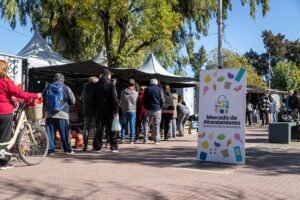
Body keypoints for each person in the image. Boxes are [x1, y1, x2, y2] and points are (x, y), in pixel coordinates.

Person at [0, 60, 41, 170]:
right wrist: (34, 95)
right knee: (4, 137)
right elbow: (19, 93)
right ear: (5, 69)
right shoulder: (6, 81)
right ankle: (3, 162)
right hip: (4, 112)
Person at [44, 73, 76, 155]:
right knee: (64, 133)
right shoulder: (66, 88)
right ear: (63, 80)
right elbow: (73, 101)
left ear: (54, 79)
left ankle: (50, 150)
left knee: (50, 134)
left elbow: (43, 99)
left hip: (50, 114)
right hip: (62, 113)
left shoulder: (48, 87)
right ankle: (67, 150)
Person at [93, 69, 119, 152]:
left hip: (99, 110)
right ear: (108, 75)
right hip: (110, 110)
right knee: (112, 129)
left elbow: (93, 99)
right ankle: (113, 147)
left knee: (99, 128)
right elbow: (115, 99)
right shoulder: (111, 85)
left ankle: (97, 147)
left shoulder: (96, 85)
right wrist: (116, 111)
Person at [142, 78, 165, 144]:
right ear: (156, 83)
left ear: (150, 82)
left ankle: (145, 140)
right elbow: (162, 100)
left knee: (146, 124)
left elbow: (143, 100)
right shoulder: (159, 89)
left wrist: (145, 106)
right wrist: (160, 107)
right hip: (157, 109)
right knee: (157, 125)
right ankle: (156, 140)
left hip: (147, 109)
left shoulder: (146, 89)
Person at [80, 76, 98, 151]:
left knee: (86, 129)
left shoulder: (84, 89)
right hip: (94, 111)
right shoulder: (96, 89)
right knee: (95, 129)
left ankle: (85, 146)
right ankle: (95, 145)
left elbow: (81, 99)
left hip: (86, 111)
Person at [120, 79, 138, 144]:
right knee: (132, 125)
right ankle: (132, 140)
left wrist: (122, 107)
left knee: (123, 125)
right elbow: (137, 102)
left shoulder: (122, 92)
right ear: (134, 84)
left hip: (124, 110)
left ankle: (122, 138)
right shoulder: (136, 93)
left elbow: (120, 101)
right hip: (133, 111)